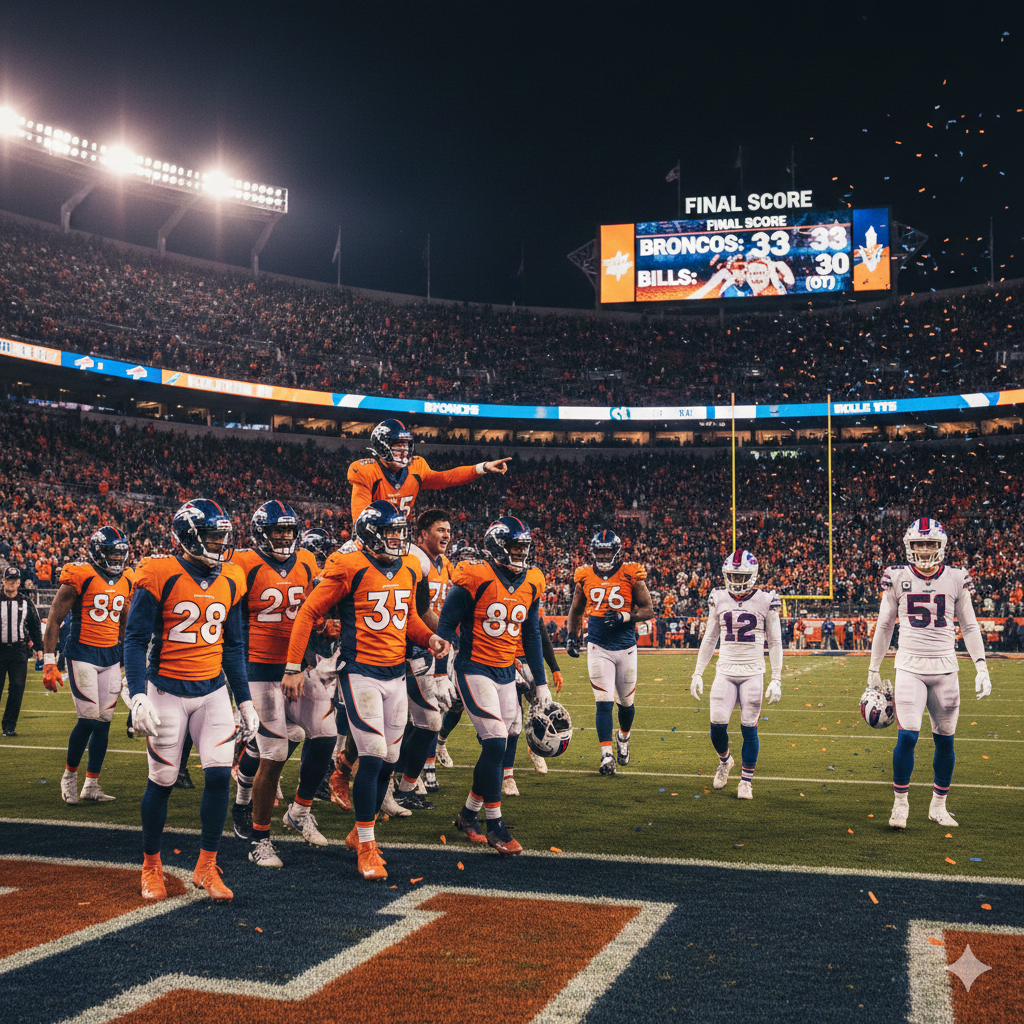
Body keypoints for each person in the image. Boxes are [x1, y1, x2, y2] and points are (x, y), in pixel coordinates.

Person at [283, 501, 448, 881]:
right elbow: (309, 611)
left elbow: (404, 618)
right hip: (360, 673)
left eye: (399, 533)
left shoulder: (408, 567)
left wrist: (430, 637)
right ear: (371, 535)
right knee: (372, 756)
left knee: (389, 760)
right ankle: (368, 845)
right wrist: (293, 666)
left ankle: (360, 833)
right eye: (390, 533)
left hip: (394, 674)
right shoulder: (348, 565)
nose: (396, 540)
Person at [123, 499, 260, 903]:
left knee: (219, 776)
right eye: (212, 537)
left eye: (223, 537)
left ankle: (206, 865)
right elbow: (134, 640)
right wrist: (137, 696)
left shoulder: (233, 576)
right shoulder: (158, 572)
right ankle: (150, 865)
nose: (220, 545)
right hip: (165, 691)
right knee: (162, 782)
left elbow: (234, 646)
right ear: (186, 539)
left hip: (213, 691)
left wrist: (246, 700)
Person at [436, 517, 551, 855]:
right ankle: (495, 824)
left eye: (525, 547)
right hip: (473, 668)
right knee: (496, 740)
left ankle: (468, 814)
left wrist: (540, 682)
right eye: (516, 546)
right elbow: (444, 627)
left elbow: (530, 633)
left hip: (505, 671)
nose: (522, 552)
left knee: (502, 741)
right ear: (498, 547)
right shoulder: (474, 575)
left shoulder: (532, 580)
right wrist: (440, 674)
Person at [866, 518, 990, 830]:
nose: (924, 550)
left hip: (946, 668)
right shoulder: (896, 577)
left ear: (941, 546)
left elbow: (970, 625)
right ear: (909, 546)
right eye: (919, 544)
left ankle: (938, 806)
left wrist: (981, 666)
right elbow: (884, 625)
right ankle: (900, 803)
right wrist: (873, 668)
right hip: (909, 665)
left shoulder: (956, 577)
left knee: (945, 742)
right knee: (907, 736)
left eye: (930, 544)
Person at [231, 501, 333, 868]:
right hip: (258, 669)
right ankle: (260, 839)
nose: (284, 537)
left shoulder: (306, 560)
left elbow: (311, 609)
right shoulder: (243, 563)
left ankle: (300, 810)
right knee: (274, 753)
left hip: (298, 667)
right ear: (261, 532)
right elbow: (232, 618)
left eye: (289, 530)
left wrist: (322, 627)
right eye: (277, 531)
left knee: (324, 734)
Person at [43, 527, 134, 802]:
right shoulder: (79, 575)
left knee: (105, 722)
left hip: (111, 657)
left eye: (120, 553)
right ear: (97, 552)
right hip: (82, 653)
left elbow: (125, 622)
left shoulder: (128, 578)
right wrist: (49, 661)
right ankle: (69, 776)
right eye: (110, 553)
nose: (116, 559)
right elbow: (54, 618)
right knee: (88, 719)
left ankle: (91, 784)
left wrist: (128, 659)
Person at [690, 550, 783, 800]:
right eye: (732, 575)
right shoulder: (718, 597)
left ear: (752, 575)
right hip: (726, 669)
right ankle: (725, 761)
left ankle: (746, 781)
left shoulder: (767, 599)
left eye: (741, 576)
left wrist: (776, 677)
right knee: (717, 725)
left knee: (748, 728)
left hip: (753, 671)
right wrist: (697, 672)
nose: (736, 581)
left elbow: (774, 641)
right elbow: (710, 637)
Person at [565, 530, 654, 776]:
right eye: (600, 551)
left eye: (607, 551)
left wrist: (625, 616)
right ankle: (606, 755)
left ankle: (623, 737)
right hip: (598, 645)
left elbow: (648, 610)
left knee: (626, 704)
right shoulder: (584, 575)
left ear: (616, 551)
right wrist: (572, 637)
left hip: (625, 646)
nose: (603, 555)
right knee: (603, 703)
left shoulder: (630, 573)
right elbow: (576, 609)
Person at [389, 508, 454, 809]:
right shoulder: (414, 559)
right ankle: (399, 785)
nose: (446, 535)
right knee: (424, 720)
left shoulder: (442, 564)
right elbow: (417, 611)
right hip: (408, 649)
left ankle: (400, 783)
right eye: (440, 529)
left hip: (426, 647)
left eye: (448, 530)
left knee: (415, 722)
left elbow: (431, 608)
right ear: (422, 533)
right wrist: (442, 633)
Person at [347, 419, 510, 522]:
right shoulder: (366, 471)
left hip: (401, 536)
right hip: (372, 534)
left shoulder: (417, 468)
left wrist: (483, 467)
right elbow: (360, 516)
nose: (404, 450)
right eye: (398, 445)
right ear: (382, 445)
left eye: (406, 445)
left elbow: (447, 478)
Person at [0, 565, 43, 737]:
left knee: (17, 688)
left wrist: (40, 648)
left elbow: (35, 626)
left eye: (15, 580)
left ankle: (9, 725)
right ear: (3, 581)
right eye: (8, 580)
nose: (11, 583)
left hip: (18, 650)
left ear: (19, 582)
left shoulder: (26, 602)